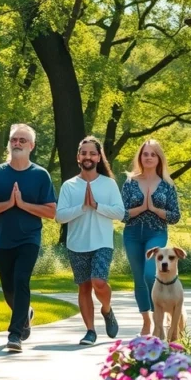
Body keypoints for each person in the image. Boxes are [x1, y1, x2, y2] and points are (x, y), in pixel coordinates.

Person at [0, 124, 57, 353]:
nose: (17, 143)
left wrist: (23, 205)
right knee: (8, 290)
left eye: (23, 140)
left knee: (22, 280)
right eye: (14, 139)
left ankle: (15, 335)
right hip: (3, 239)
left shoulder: (40, 175)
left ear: (31, 146)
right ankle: (26, 313)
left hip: (29, 239)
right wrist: (9, 204)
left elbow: (51, 211)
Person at [55, 136, 124, 346]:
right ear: (78, 157)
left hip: (102, 242)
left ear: (98, 157)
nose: (88, 156)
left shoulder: (108, 184)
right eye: (84, 153)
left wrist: (96, 205)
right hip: (77, 244)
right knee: (84, 287)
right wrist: (83, 208)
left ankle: (106, 309)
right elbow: (60, 216)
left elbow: (121, 213)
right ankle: (90, 331)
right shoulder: (69, 186)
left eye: (92, 153)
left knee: (99, 282)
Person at [121, 139, 182, 335]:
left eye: (152, 154)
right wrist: (141, 208)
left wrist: (155, 209)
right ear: (140, 157)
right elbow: (121, 213)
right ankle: (147, 321)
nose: (148, 157)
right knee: (139, 279)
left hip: (156, 233)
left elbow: (175, 216)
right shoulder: (130, 182)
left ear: (158, 158)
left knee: (150, 274)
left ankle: (160, 323)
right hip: (132, 234)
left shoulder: (167, 185)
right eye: (145, 154)